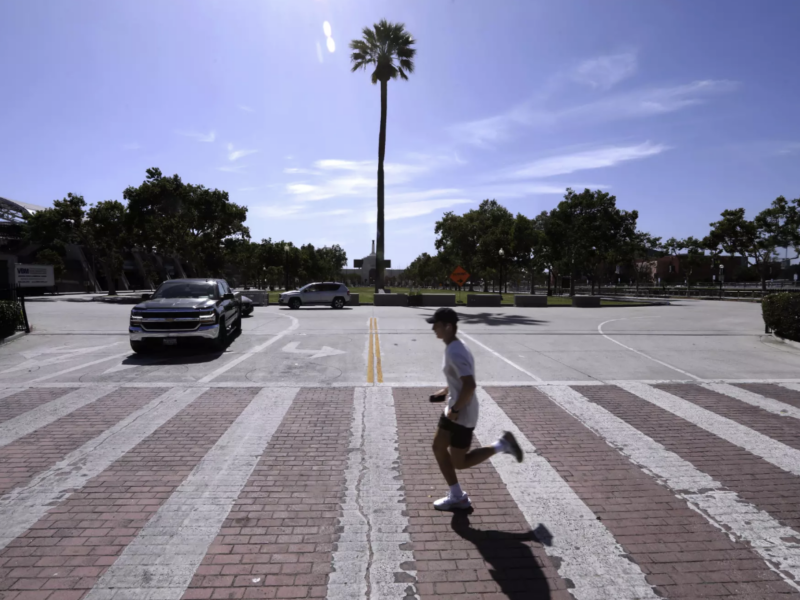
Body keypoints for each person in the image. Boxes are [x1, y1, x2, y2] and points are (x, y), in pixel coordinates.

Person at [427, 307, 523, 511]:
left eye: (436, 324)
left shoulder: (455, 350)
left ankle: (502, 445)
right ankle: (457, 495)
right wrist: (446, 390)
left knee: (459, 462)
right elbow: (462, 379)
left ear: (448, 326)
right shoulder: (455, 345)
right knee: (438, 447)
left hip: (462, 413)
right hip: (457, 407)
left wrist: (455, 410)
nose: (433, 327)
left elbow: (470, 385)